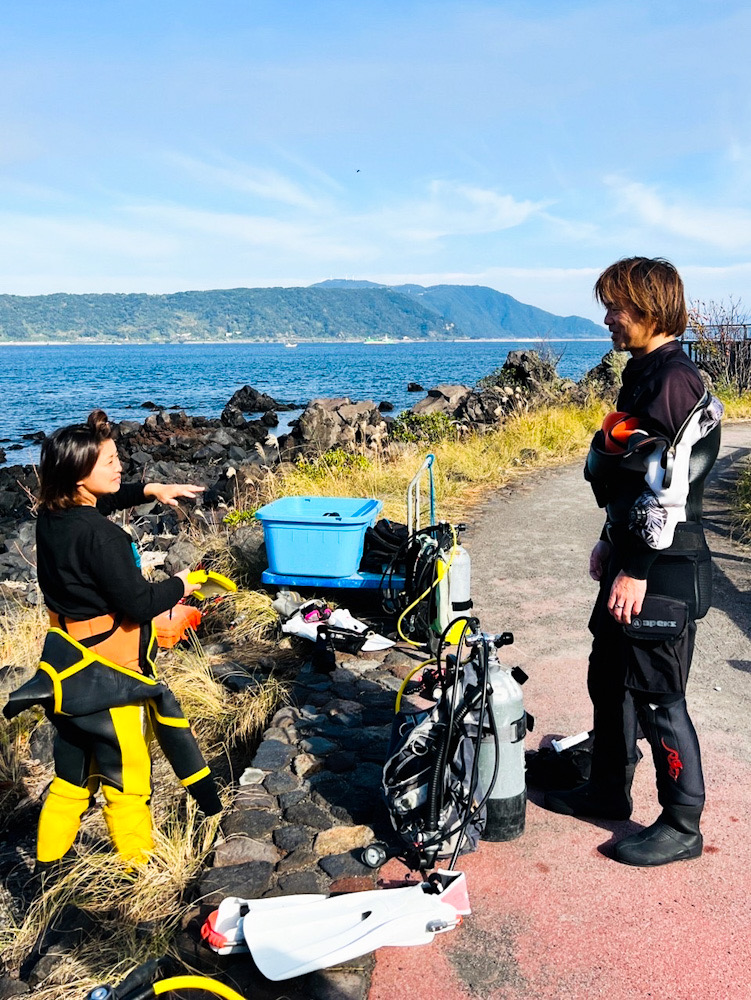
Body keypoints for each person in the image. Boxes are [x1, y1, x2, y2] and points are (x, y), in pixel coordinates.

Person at [544, 257, 723, 867]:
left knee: (658, 695)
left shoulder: (675, 379)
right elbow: (627, 480)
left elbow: (667, 489)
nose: (607, 319)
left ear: (649, 308)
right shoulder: (642, 372)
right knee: (609, 675)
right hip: (631, 548)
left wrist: (638, 567)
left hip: (663, 564)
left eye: (615, 307)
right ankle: (605, 789)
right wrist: (608, 537)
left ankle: (682, 822)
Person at [3, 409, 222, 874]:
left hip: (67, 670)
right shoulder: (101, 537)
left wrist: (150, 490)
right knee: (128, 780)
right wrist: (183, 583)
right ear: (80, 477)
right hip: (111, 678)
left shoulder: (53, 517)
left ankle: (48, 868)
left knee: (72, 777)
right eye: (108, 461)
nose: (119, 466)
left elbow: (103, 503)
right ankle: (137, 876)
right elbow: (140, 603)